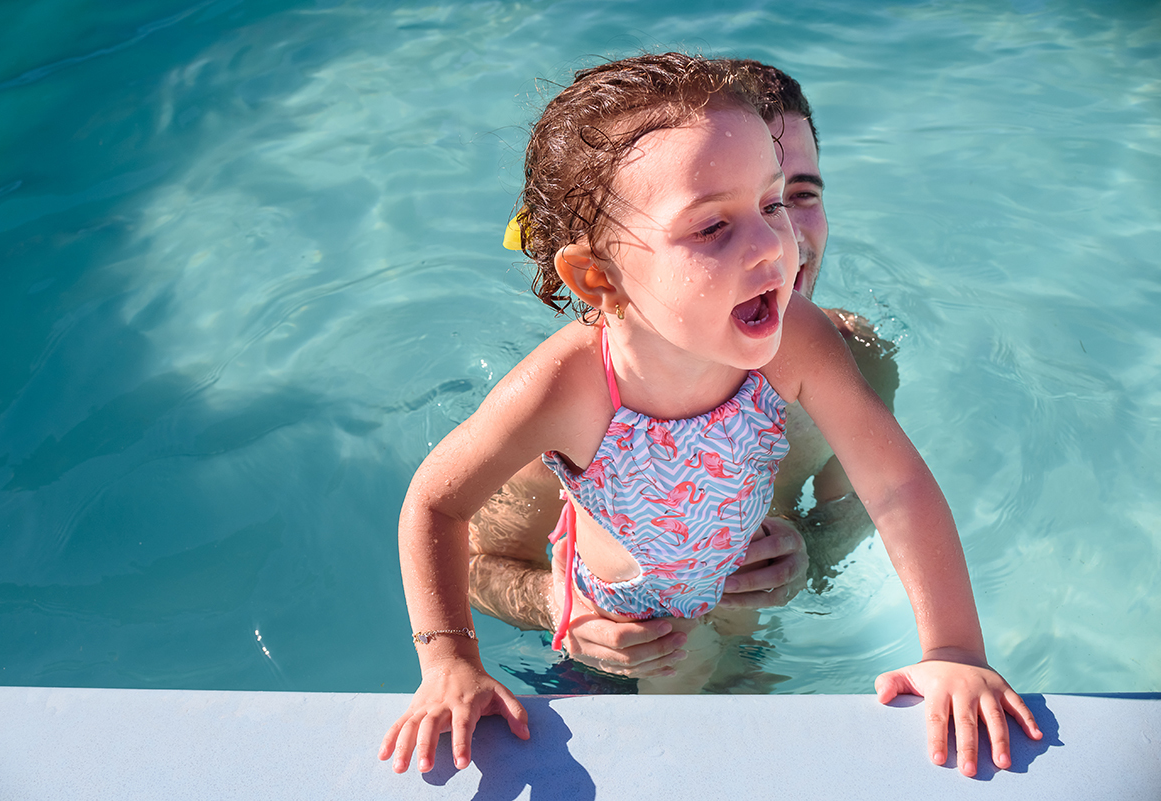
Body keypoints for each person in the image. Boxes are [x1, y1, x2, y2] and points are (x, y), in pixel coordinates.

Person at [378, 53, 1040, 778]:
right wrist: (452, 659)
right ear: (598, 275)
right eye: (713, 225)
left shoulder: (810, 346)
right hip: (610, 647)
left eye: (776, 203)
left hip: (736, 626)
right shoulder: (565, 393)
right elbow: (438, 506)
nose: (775, 247)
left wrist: (952, 651)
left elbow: (894, 488)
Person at [467, 60, 896, 679]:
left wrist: (807, 553)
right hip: (618, 662)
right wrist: (564, 607)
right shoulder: (582, 410)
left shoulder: (856, 358)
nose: (779, 240)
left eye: (791, 196)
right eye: (713, 222)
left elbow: (865, 506)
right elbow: (476, 560)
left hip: (744, 651)